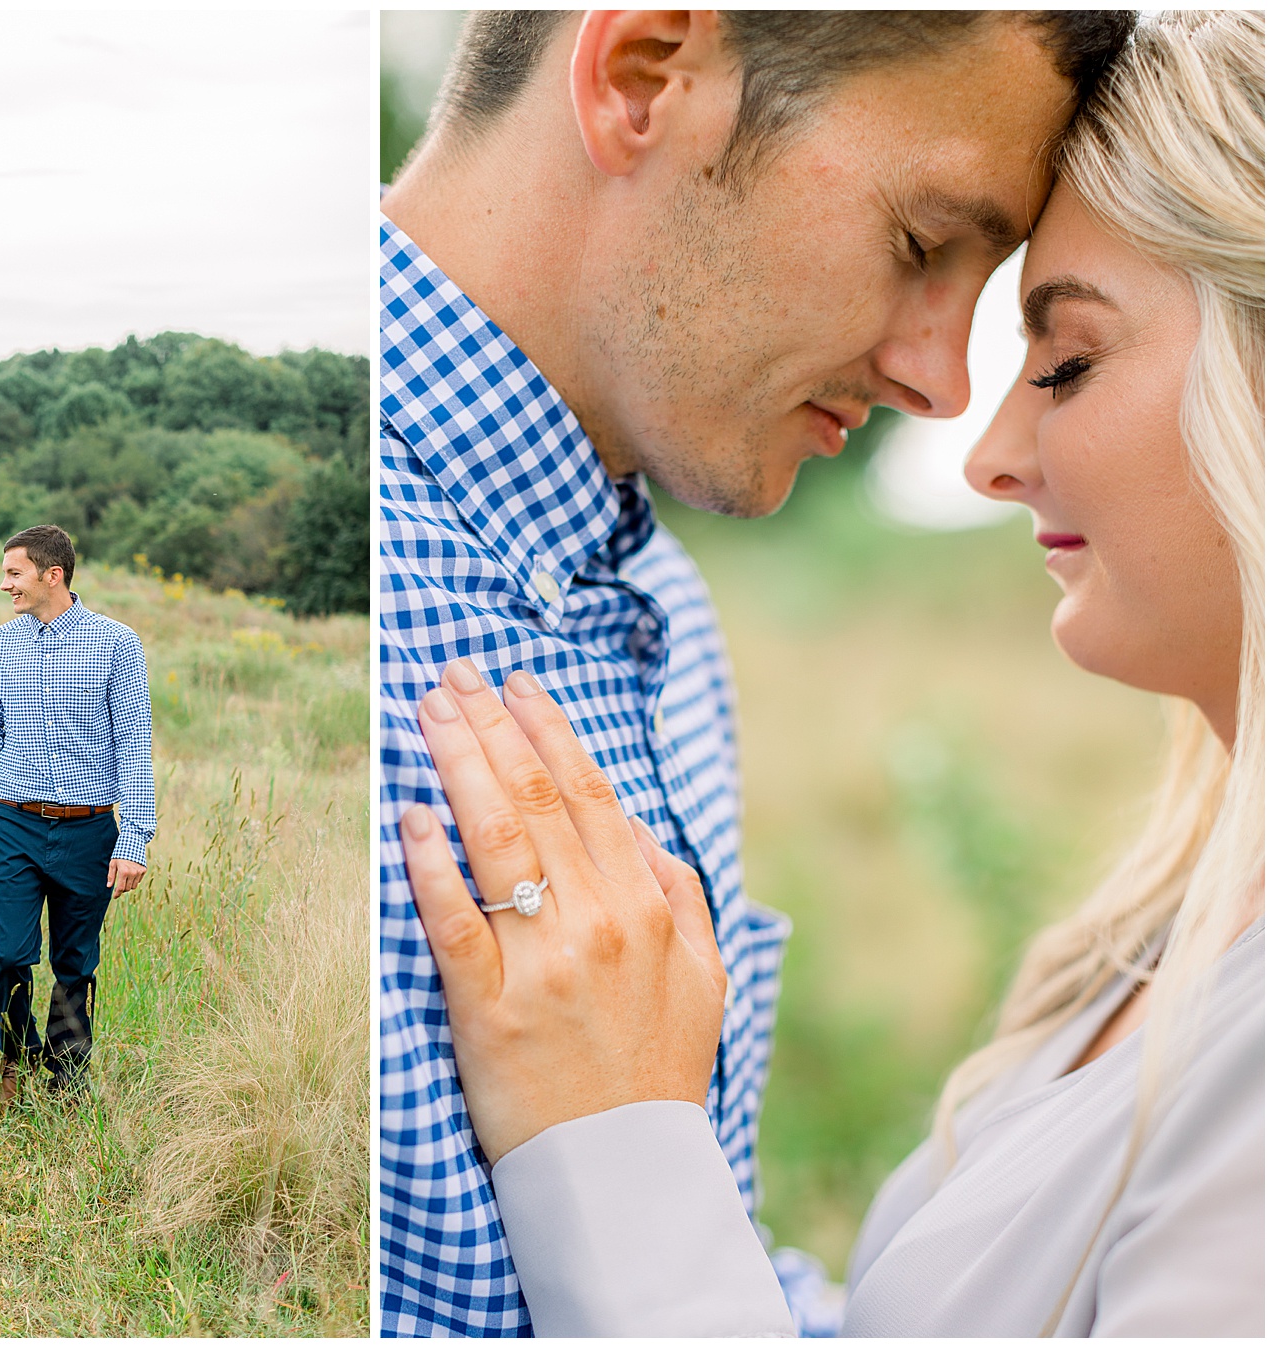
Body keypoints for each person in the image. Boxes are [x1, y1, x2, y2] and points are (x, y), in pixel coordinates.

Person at [399, 9, 1262, 1335]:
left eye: (1062, 353)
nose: (942, 388)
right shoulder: (442, 597)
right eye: (922, 244)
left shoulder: (660, 624)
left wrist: (624, 1159)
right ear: (643, 79)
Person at [0, 524, 155, 1108]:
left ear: (52, 575)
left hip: (90, 830)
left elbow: (133, 745)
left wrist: (133, 840)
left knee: (75, 960)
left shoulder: (117, 643)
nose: (4, 583)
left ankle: (66, 1074)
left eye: (13, 572)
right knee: (11, 952)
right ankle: (16, 1057)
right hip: (12, 825)